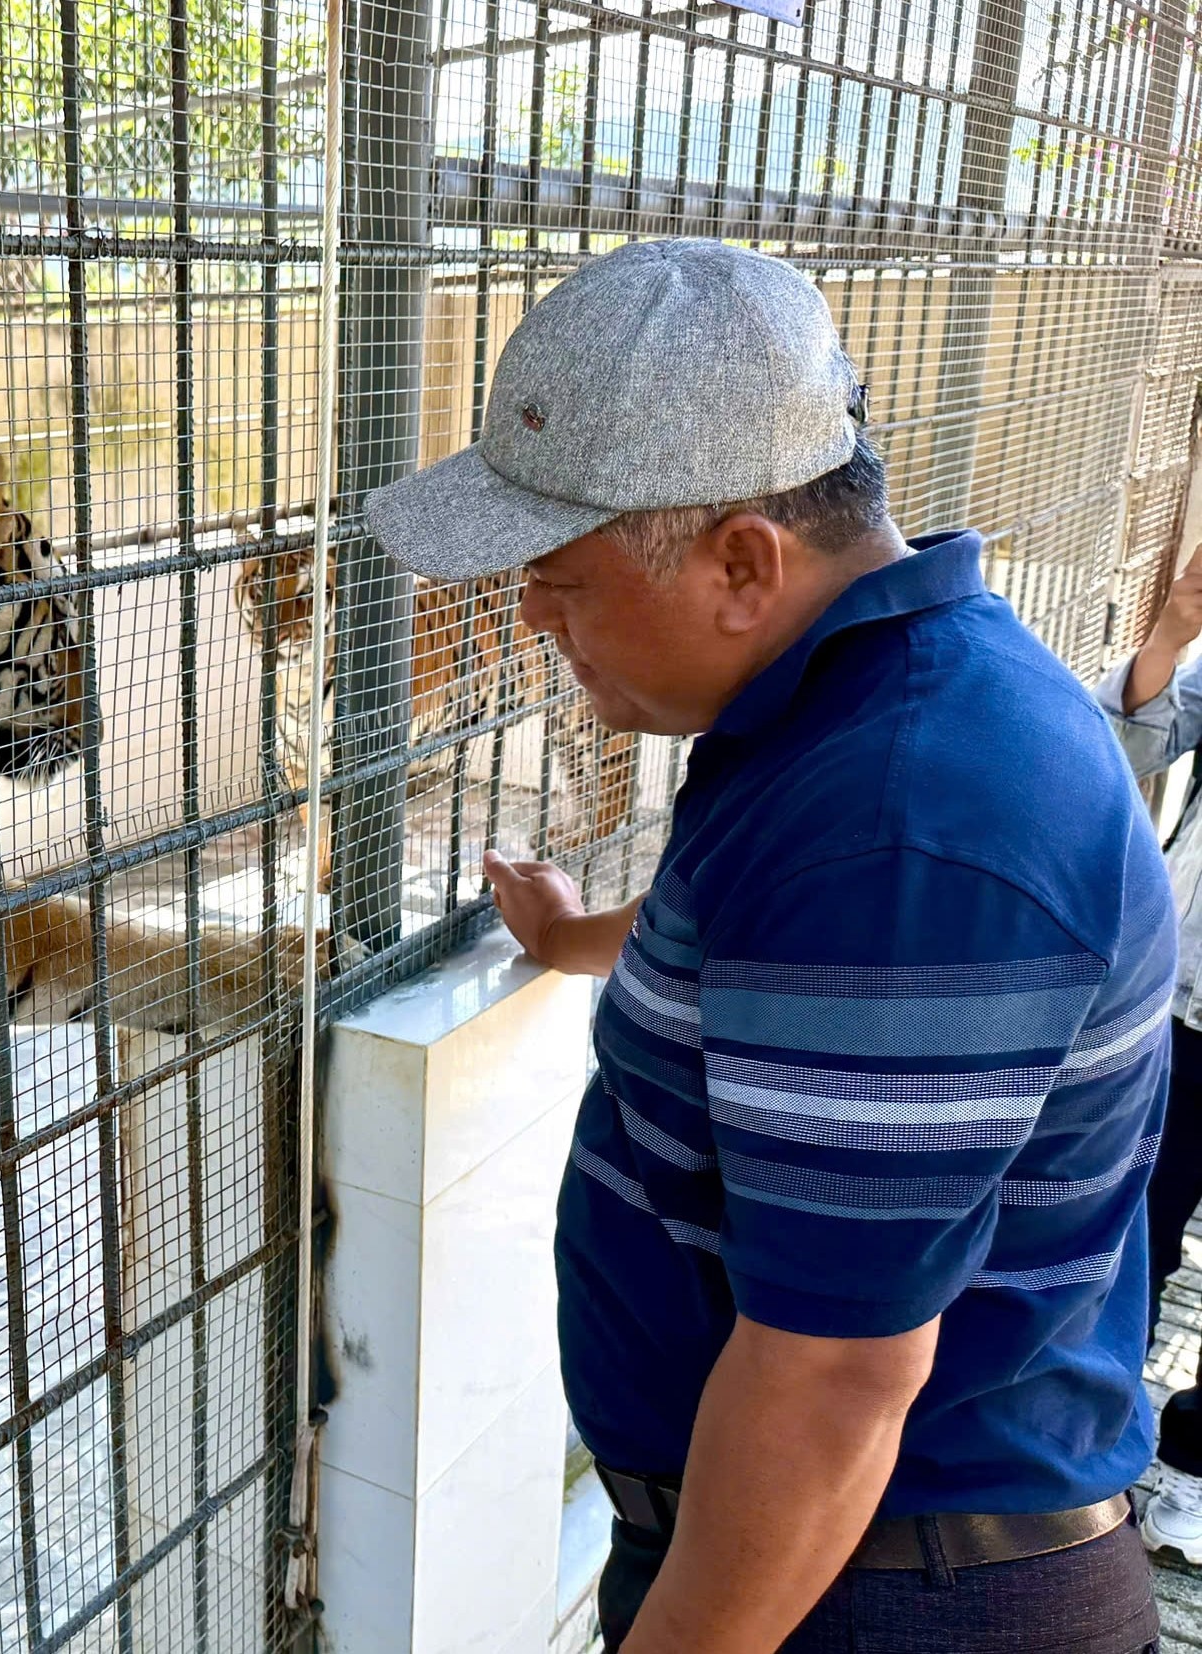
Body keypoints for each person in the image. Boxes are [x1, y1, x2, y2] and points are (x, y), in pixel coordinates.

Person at [363, 238, 1169, 1653]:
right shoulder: (856, 714)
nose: (528, 614)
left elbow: (831, 1385)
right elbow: (774, 953)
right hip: (848, 1564)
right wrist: (577, 937)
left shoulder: (905, 820)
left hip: (873, 1586)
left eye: (555, 574)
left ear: (743, 560)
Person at [1094, 547, 1202, 1564]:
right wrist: (1169, 632)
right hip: (1184, 1016)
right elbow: (1128, 738)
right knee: (1135, 1236)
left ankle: (1193, 1473)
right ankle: (1098, 1453)